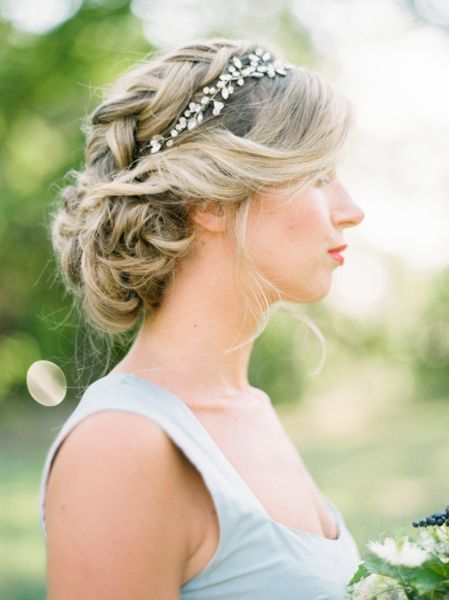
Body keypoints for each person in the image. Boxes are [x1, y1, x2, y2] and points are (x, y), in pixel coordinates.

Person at [39, 37, 365, 599]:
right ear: (209, 201)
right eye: (317, 177)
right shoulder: (123, 446)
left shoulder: (250, 408)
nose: (351, 210)